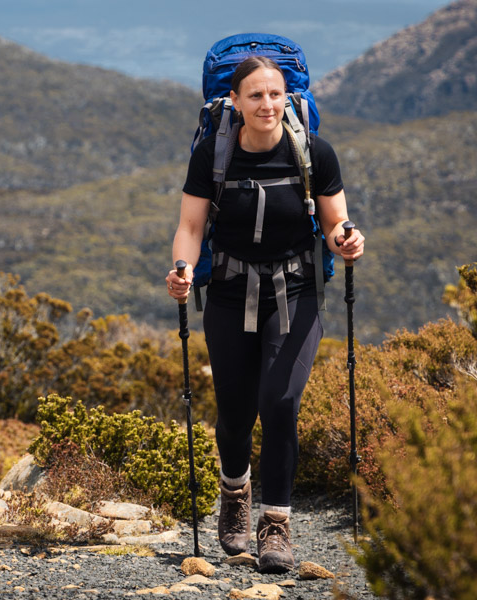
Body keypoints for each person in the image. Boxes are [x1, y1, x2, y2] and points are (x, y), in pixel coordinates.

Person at [165, 55, 364, 573]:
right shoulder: (215, 154)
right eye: (254, 95)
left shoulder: (314, 153)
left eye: (275, 94)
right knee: (235, 415)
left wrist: (347, 239)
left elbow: (336, 219)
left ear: (288, 98)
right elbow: (190, 225)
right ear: (234, 101)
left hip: (296, 290)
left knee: (279, 403)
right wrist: (183, 267)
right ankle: (235, 493)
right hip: (230, 292)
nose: (266, 105)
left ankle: (275, 523)